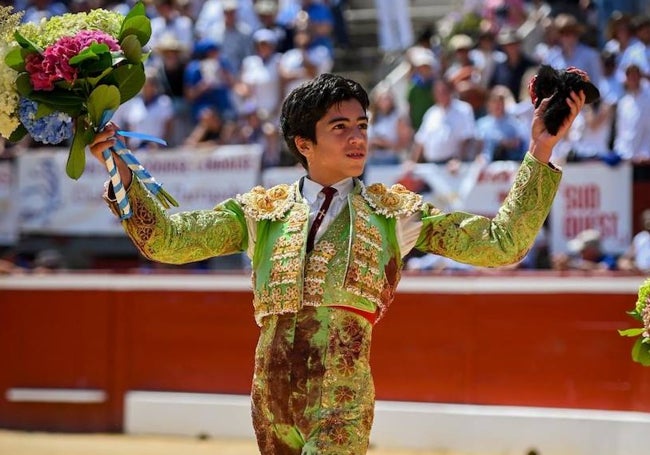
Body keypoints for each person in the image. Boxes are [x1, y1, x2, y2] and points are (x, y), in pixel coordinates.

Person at [90, 73, 584, 454]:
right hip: (269, 397)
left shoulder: (397, 213)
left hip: (341, 402)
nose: (357, 138)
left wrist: (541, 149)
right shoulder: (261, 211)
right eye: (340, 127)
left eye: (362, 126)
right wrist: (118, 170)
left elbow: (500, 243)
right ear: (304, 144)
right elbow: (171, 241)